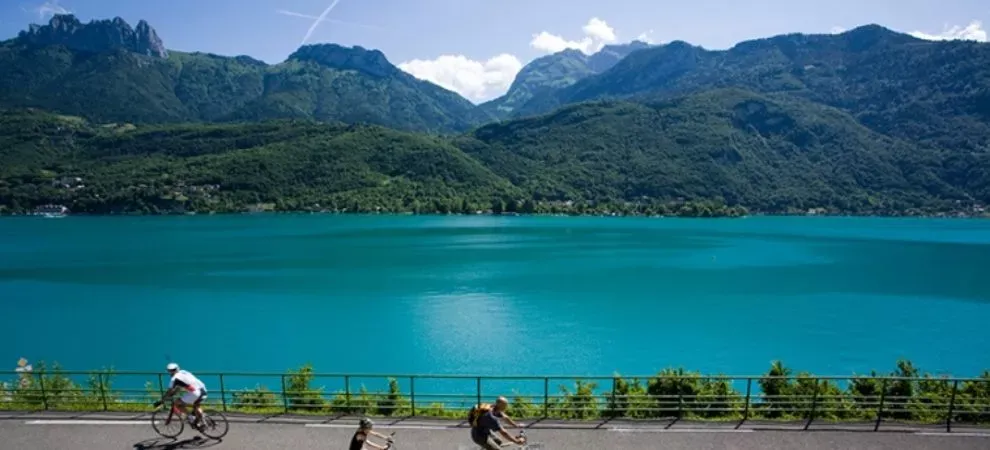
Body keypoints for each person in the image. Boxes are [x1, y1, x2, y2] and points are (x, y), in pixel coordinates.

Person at [155, 363, 207, 428]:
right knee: (196, 406)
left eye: (171, 370)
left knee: (177, 403)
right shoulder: (184, 372)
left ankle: (191, 418)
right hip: (203, 389)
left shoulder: (174, 379)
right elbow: (180, 387)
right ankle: (204, 421)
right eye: (169, 370)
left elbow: (169, 391)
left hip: (195, 393)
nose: (171, 372)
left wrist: (161, 400)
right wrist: (174, 392)